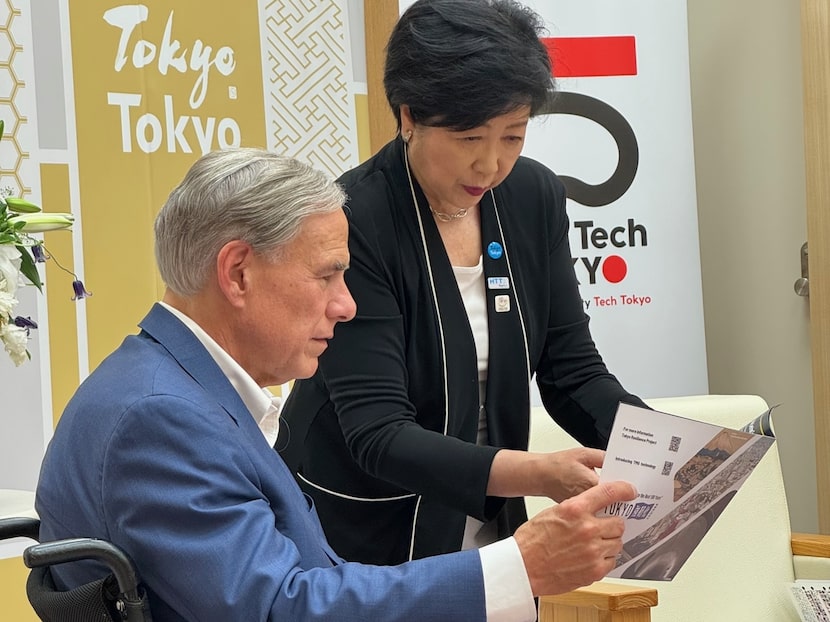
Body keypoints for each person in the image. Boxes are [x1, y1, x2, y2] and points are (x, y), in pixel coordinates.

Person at [34, 148, 636, 621]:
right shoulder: (160, 418)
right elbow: (277, 609)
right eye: (328, 276)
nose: (347, 306)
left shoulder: (165, 386)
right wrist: (519, 565)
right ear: (238, 272)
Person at [279, 0, 649, 566]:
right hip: (364, 531)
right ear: (409, 116)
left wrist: (654, 447)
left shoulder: (532, 197)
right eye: (471, 138)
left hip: (488, 525)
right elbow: (378, 432)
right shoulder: (356, 217)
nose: (491, 166)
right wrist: (535, 474)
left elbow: (573, 373)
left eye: (513, 136)